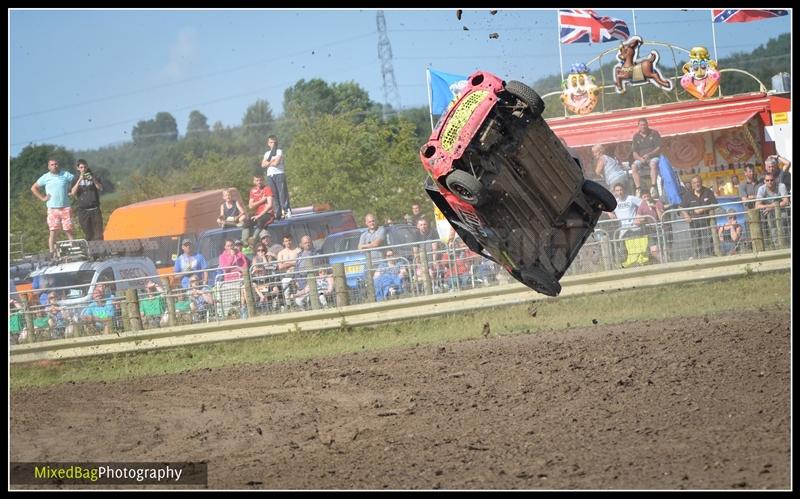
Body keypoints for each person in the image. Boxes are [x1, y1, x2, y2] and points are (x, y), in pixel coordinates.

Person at [31, 158, 76, 255]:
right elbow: (33, 188)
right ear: (48, 166)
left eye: (56, 164)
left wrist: (72, 190)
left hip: (65, 207)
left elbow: (75, 180)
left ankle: (74, 251)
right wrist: (42, 198)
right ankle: (52, 253)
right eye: (52, 164)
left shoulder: (65, 174)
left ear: (58, 165)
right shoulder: (45, 177)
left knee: (68, 230)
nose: (54, 166)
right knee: (53, 231)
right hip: (52, 209)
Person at [680, 175, 718, 258]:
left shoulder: (708, 191)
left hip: (707, 223)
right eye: (694, 183)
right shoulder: (688, 194)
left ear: (701, 182)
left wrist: (702, 209)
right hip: (694, 224)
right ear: (692, 185)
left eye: (698, 182)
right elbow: (681, 207)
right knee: (696, 242)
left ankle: (710, 257)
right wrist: (686, 215)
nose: (697, 184)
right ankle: (697, 258)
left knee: (708, 241)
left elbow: (715, 204)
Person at [69, 159, 104, 241]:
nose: (83, 169)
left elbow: (100, 188)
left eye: (85, 167)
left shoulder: (94, 176)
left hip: (95, 209)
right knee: (88, 233)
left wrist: (93, 180)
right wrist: (79, 180)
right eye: (81, 167)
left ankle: (100, 251)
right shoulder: (75, 178)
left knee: (98, 233)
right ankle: (91, 252)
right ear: (78, 168)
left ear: (87, 167)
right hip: (83, 211)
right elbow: (73, 193)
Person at [755, 172, 790, 249]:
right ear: (764, 181)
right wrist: (772, 207)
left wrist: (771, 207)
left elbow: (786, 201)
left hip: (782, 211)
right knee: (773, 230)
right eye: (767, 180)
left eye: (771, 180)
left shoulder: (781, 186)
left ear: (775, 180)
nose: (769, 182)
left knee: (785, 229)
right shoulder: (761, 188)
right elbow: (757, 205)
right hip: (769, 213)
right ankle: (777, 247)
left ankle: (787, 246)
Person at [261, 135, 291, 220]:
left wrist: (269, 162)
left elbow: (276, 163)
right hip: (270, 175)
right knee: (274, 195)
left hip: (279, 174)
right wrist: (271, 161)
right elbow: (263, 165)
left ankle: (286, 211)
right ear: (268, 143)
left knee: (282, 194)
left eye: (274, 142)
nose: (273, 144)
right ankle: (277, 213)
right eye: (271, 142)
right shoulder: (266, 153)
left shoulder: (279, 151)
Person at [631, 117, 662, 197]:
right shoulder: (636, 136)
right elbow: (634, 153)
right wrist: (640, 158)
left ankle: (653, 187)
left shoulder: (654, 133)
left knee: (653, 164)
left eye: (645, 124)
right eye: (641, 125)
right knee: (633, 166)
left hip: (653, 157)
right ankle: (638, 188)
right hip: (641, 159)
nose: (643, 126)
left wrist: (649, 155)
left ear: (647, 125)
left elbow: (659, 147)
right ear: (638, 126)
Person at [634, 190, 665, 263]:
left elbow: (662, 217)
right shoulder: (642, 205)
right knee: (653, 251)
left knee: (664, 249)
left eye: (648, 196)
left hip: (661, 229)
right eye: (644, 197)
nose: (647, 198)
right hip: (650, 231)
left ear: (650, 196)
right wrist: (641, 219)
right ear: (642, 198)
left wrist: (655, 207)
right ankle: (665, 262)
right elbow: (637, 218)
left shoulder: (657, 202)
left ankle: (666, 263)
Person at [276, 234, 302, 306]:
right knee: (286, 291)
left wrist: (287, 264)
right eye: (286, 241)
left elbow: (300, 263)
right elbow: (280, 266)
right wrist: (293, 263)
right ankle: (289, 306)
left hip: (297, 274)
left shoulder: (298, 250)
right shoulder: (281, 253)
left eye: (289, 240)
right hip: (286, 276)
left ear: (292, 240)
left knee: (299, 290)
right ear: (283, 243)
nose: (288, 242)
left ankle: (300, 305)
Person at [247, 173, 275, 239]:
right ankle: (245, 242)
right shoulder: (253, 191)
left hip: (267, 213)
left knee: (260, 221)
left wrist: (259, 216)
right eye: (257, 180)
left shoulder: (267, 189)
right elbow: (250, 206)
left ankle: (253, 239)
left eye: (261, 180)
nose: (259, 182)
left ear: (263, 180)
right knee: (246, 222)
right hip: (257, 213)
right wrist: (262, 200)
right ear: (254, 181)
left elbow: (269, 205)